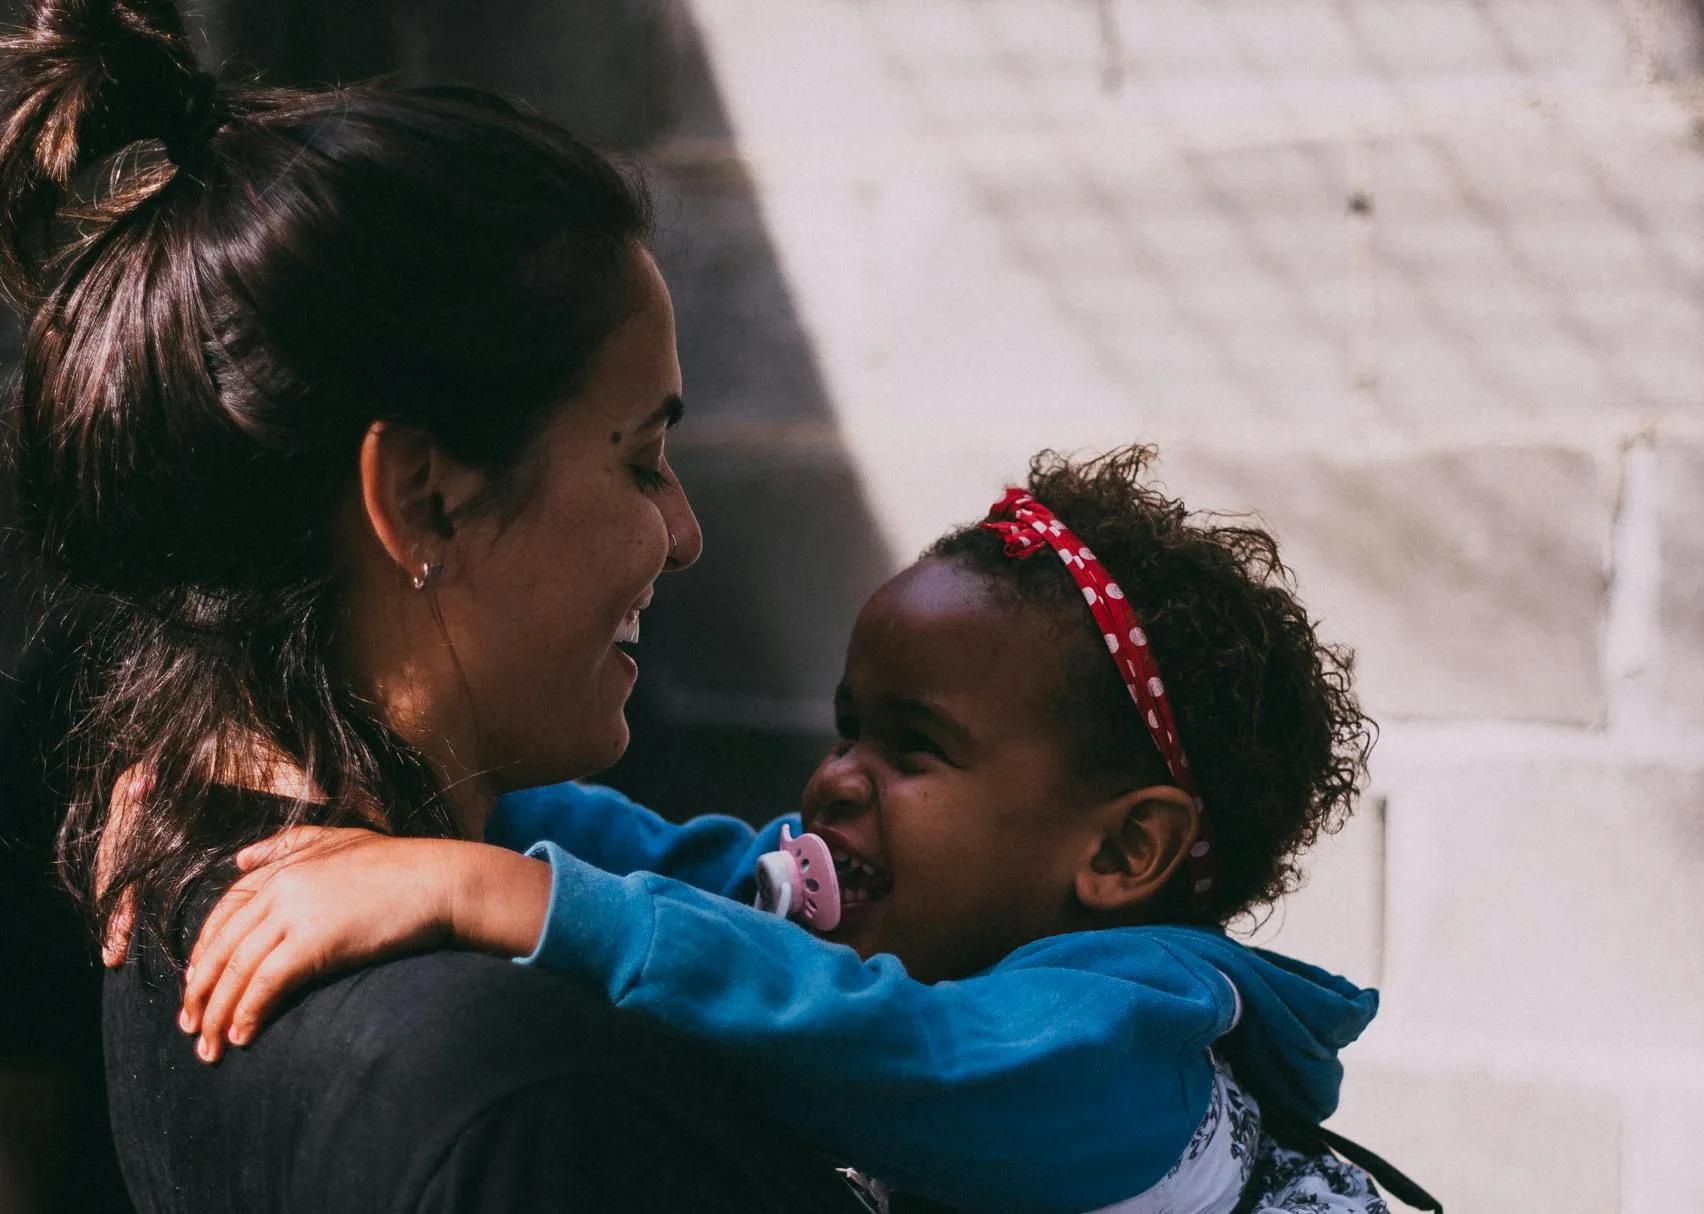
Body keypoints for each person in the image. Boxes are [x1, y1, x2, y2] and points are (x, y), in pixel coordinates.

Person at [0, 1, 864, 1209]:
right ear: (423, 496)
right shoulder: (524, 1092)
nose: (683, 533)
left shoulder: (176, 877)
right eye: (637, 459)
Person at [172, 449, 1441, 1214]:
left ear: (1118, 854)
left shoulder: (1120, 1049)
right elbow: (700, 873)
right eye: (847, 728)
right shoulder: (932, 916)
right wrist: (377, 789)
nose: (836, 780)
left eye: (914, 747)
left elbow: (889, 1040)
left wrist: (494, 893)